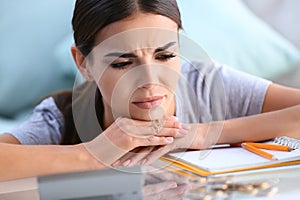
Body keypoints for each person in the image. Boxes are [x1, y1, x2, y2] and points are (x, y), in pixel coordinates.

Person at [1, 0, 300, 182]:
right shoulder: (61, 119)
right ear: (84, 63)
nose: (149, 80)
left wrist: (202, 133)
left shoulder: (207, 85)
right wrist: (94, 154)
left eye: (165, 56)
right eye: (122, 62)